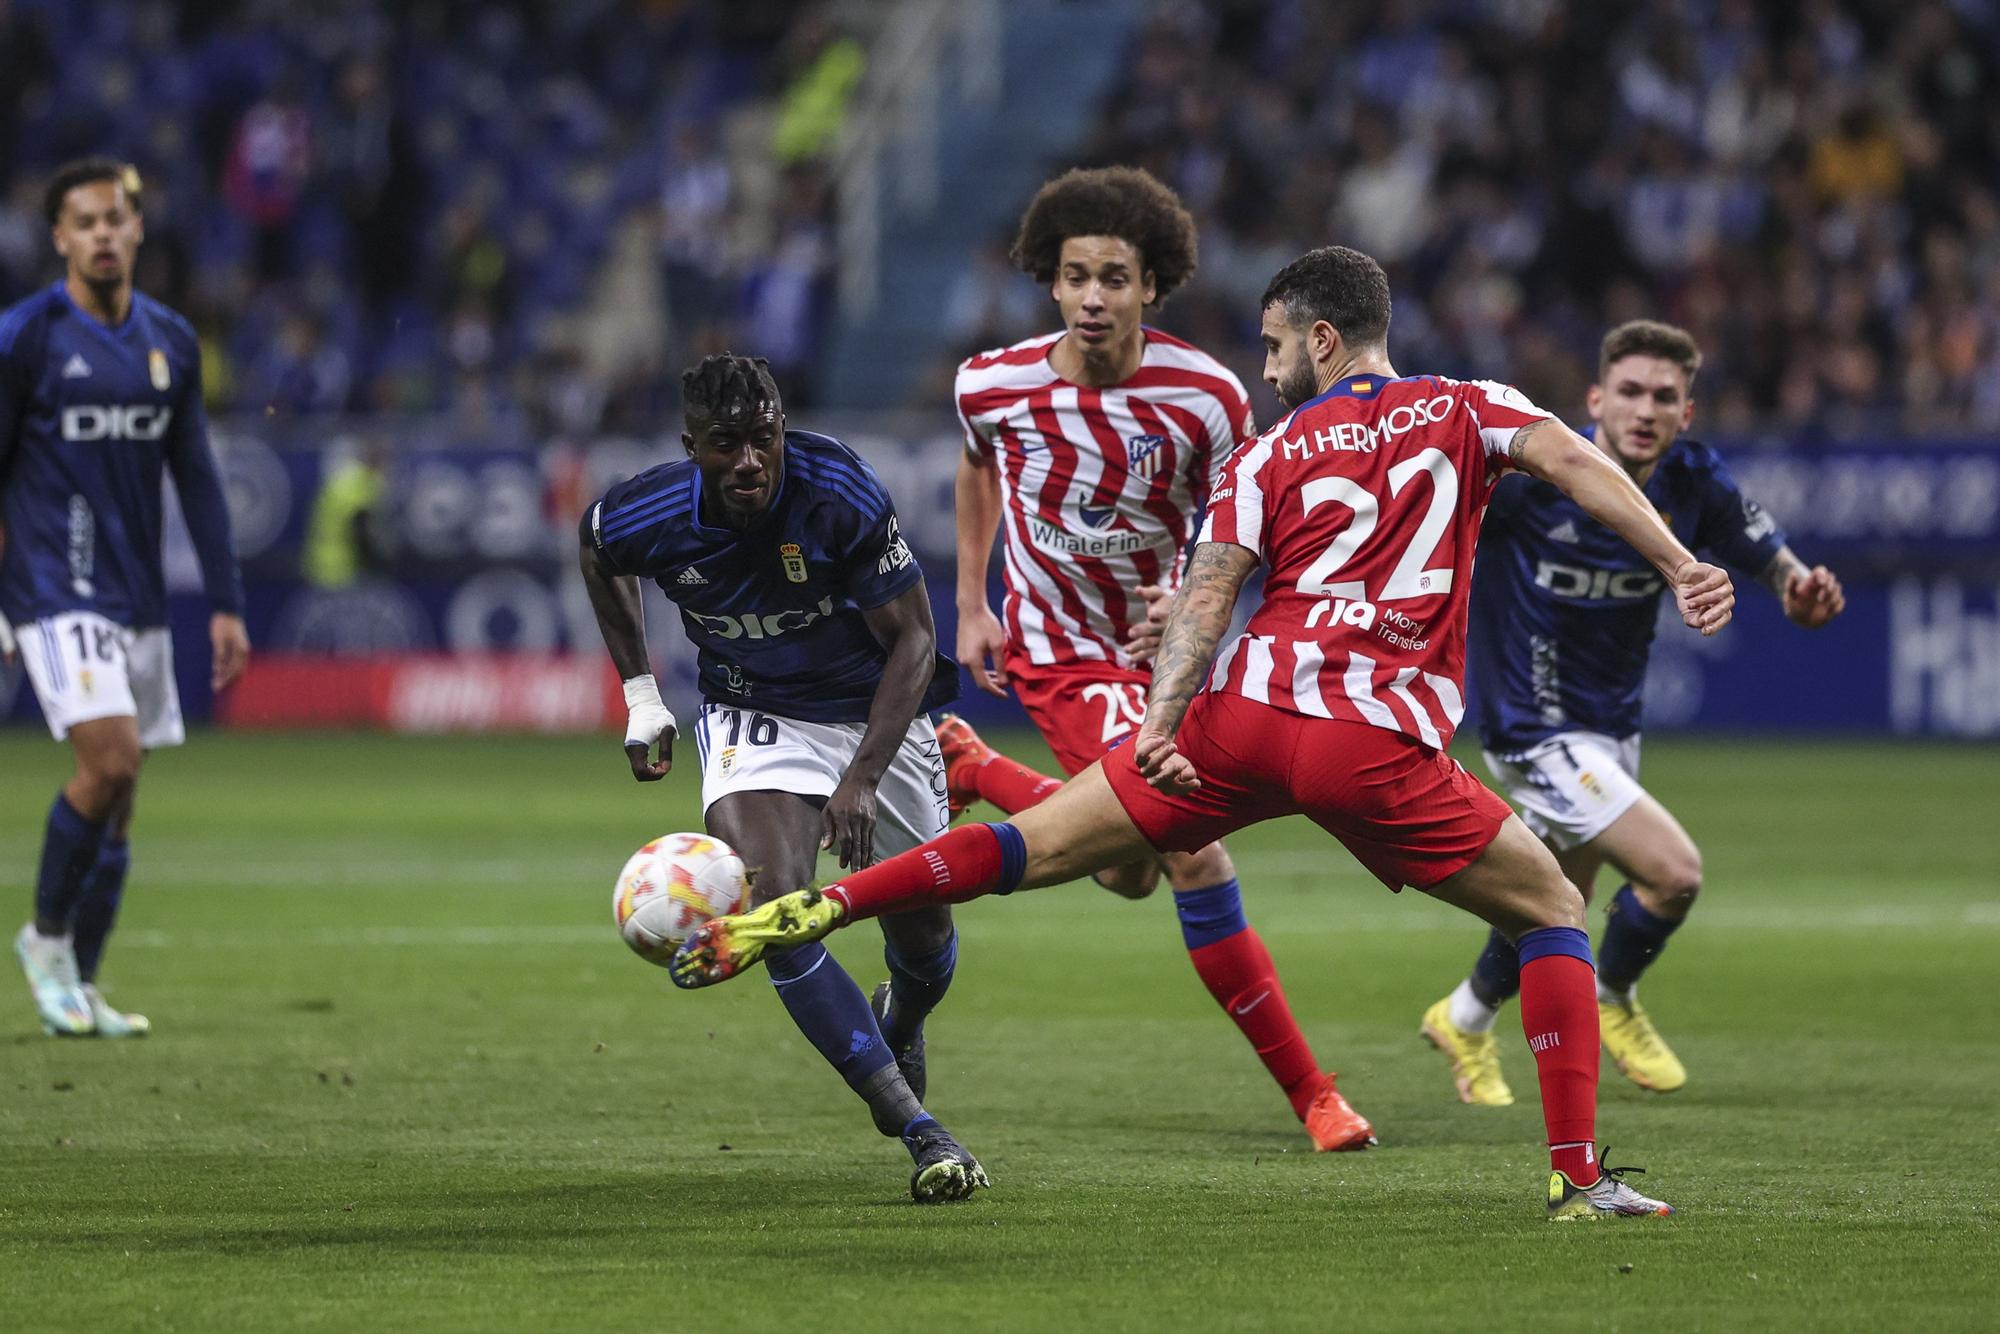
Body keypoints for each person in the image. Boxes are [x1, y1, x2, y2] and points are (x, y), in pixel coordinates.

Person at [672, 247, 1741, 1220]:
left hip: (1245, 716)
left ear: (1322, 339)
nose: (1268, 367)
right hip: (1372, 738)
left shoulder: (1267, 453)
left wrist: (1158, 726)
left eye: (1275, 344)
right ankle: (1575, 1173)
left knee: (1036, 850)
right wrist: (1675, 559)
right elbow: (1577, 466)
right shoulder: (1469, 405)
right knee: (1553, 906)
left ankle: (819, 903)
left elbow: (1202, 598)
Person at [945, 165, 1374, 1152]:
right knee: (1189, 848)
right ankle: (1314, 1094)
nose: (1092, 297)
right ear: (1047, 284)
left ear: (1152, 285)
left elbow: (1245, 517)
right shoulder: (990, 384)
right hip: (1062, 653)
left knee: (1127, 872)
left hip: (1165, 660)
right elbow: (977, 470)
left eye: (1114, 277)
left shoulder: (1208, 394)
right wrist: (972, 603)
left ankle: (977, 768)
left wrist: (1189, 604)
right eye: (1073, 276)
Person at [578, 352, 985, 1204]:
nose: (752, 461)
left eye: (765, 439)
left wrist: (863, 778)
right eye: (728, 445)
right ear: (693, 445)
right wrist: (642, 696)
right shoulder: (649, 510)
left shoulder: (837, 490)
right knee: (776, 914)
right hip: (753, 712)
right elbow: (596, 547)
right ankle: (920, 1129)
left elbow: (913, 641)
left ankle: (900, 1020)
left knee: (927, 944)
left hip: (876, 712)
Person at [1420, 320, 1845, 1105]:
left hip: (1612, 730)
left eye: (1664, 396)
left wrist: (1798, 588)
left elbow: (1772, 558)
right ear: (1594, 399)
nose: (1644, 409)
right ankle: (1612, 996)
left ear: (1686, 414)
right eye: (1629, 391)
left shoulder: (1693, 480)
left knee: (1554, 905)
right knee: (1673, 874)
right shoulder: (1533, 479)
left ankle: (1465, 1016)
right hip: (1532, 731)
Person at [2, 158, 249, 1037]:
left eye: (117, 218)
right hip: (52, 586)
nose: (104, 233)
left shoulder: (171, 341)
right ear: (60, 238)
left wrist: (224, 600)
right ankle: (44, 941)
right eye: (85, 221)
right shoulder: (25, 337)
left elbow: (197, 477)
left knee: (123, 800)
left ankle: (84, 984)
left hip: (140, 596)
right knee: (109, 764)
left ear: (138, 229)